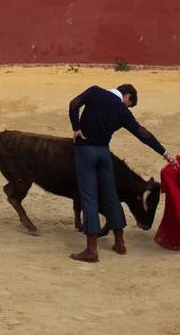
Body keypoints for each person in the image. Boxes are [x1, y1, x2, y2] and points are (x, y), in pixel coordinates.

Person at [68, 83, 174, 263]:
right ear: (127, 96)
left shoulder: (95, 92)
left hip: (86, 151)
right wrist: (165, 153)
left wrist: (76, 127)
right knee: (111, 196)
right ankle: (120, 243)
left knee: (89, 198)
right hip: (104, 154)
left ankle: (91, 251)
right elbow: (143, 134)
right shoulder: (122, 111)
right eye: (129, 104)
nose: (127, 107)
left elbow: (73, 104)